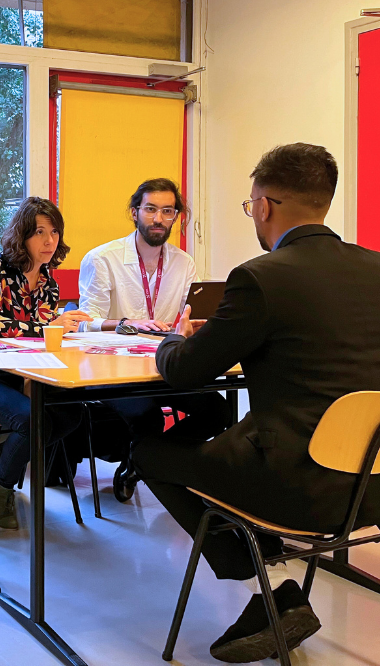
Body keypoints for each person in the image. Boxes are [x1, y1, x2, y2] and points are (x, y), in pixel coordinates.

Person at [132, 144, 380, 663]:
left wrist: (173, 339)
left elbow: (185, 371)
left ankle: (261, 582)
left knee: (149, 452)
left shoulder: (261, 277)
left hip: (297, 490)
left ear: (264, 206)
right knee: (227, 434)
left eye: (251, 205)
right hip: (373, 487)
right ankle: (263, 561)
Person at [78, 179, 231, 501]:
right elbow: (83, 323)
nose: (158, 218)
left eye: (167, 211)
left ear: (176, 216)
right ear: (135, 212)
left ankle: (142, 462)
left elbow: (186, 316)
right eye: (150, 209)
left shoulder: (184, 263)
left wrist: (196, 326)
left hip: (163, 365)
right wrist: (127, 323)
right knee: (146, 416)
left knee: (219, 411)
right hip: (112, 370)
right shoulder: (103, 258)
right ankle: (152, 462)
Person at [0, 196, 91, 530]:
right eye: (39, 232)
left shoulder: (49, 284)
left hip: (20, 376)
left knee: (72, 412)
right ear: (22, 235)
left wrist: (62, 332)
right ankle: (3, 489)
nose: (49, 240)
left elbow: (40, 340)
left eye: (54, 232)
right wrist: (49, 327)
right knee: (32, 418)